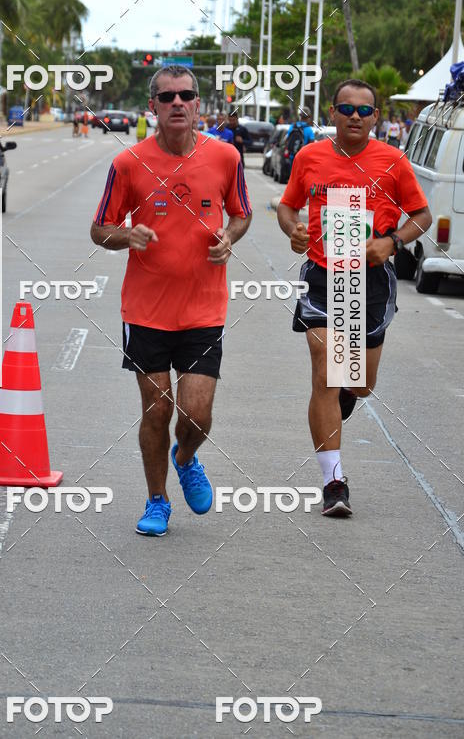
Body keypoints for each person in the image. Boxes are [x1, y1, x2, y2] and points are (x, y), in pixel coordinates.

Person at [90, 65, 253, 536]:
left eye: (186, 96)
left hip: (204, 309)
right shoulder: (128, 163)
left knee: (197, 416)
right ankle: (157, 500)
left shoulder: (225, 157)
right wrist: (127, 235)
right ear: (153, 108)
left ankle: (186, 458)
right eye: (167, 98)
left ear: (199, 104)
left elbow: (241, 215)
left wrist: (229, 237)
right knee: (157, 409)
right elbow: (99, 230)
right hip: (145, 311)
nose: (177, 103)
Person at [276, 79, 431, 517]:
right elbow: (287, 207)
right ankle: (334, 483)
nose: (355, 117)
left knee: (360, 383)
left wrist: (393, 244)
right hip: (323, 275)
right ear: (333, 112)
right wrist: (293, 230)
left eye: (365, 110)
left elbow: (421, 215)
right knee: (326, 367)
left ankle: (346, 395)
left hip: (372, 281)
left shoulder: (392, 160)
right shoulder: (309, 157)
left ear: (376, 117)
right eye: (347, 109)